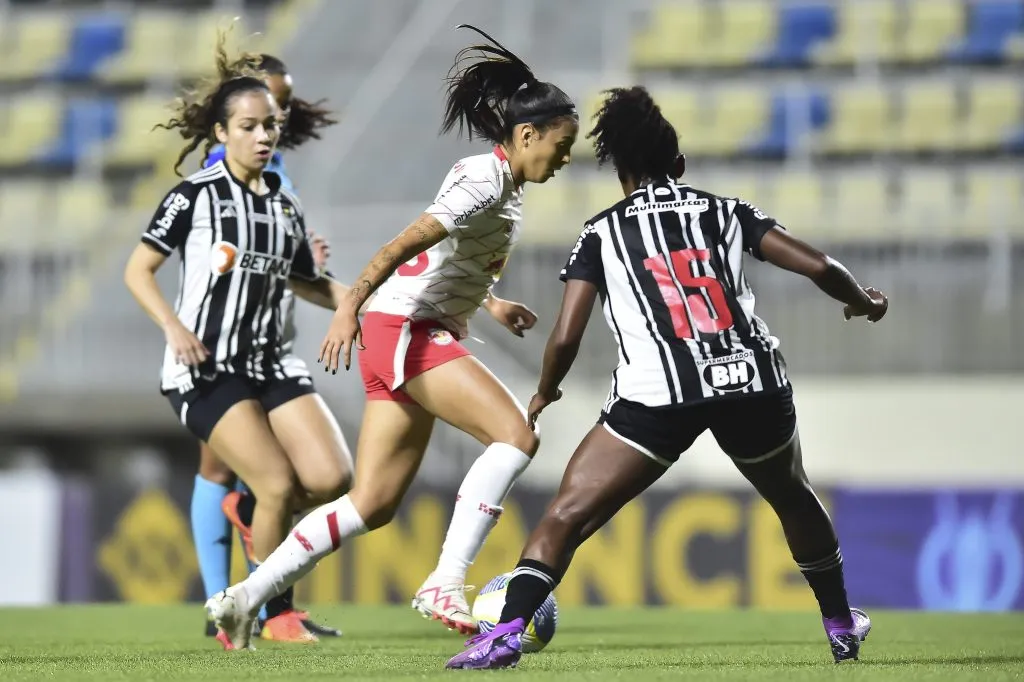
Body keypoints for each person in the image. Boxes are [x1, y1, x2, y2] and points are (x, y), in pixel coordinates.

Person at [445, 86, 888, 670]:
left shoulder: (600, 233)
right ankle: (839, 626)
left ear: (620, 174)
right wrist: (862, 301)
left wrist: (546, 389)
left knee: (566, 515)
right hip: (748, 382)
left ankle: (504, 634)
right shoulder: (726, 211)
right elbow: (820, 266)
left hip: (655, 395)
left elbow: (567, 336)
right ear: (678, 165)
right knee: (792, 496)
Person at [205, 24, 578, 650]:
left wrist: (489, 303)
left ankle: (244, 599)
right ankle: (446, 580)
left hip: (398, 330)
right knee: (516, 436)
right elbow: (404, 243)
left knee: (371, 503)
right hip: (406, 329)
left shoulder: (501, 184)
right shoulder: (485, 180)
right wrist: (349, 305)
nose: (565, 159)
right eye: (561, 146)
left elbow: (444, 260)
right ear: (527, 135)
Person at [123, 37, 354, 649]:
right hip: (206, 367)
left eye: (270, 125)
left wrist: (360, 301)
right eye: (249, 126)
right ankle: (261, 614)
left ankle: (254, 523)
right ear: (222, 132)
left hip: (271, 363)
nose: (263, 136)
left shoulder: (285, 204)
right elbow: (138, 270)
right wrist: (173, 327)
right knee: (275, 482)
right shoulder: (194, 196)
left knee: (333, 478)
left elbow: (308, 281)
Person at [190, 52, 342, 645]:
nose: (282, 109)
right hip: (223, 348)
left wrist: (305, 261)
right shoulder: (223, 169)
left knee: (265, 479)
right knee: (223, 469)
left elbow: (284, 256)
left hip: (268, 340)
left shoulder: (274, 169)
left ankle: (252, 605)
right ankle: (234, 608)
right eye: (273, 99)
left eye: (284, 103)